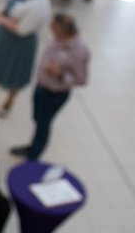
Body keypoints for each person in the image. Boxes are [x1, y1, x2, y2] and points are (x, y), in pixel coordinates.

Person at [12, 13, 90, 161]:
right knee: (37, 119)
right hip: (41, 87)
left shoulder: (79, 50)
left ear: (61, 30)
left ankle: (33, 157)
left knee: (43, 125)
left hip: (54, 95)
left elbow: (82, 79)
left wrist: (60, 75)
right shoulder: (57, 40)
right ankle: (32, 146)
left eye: (52, 27)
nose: (50, 30)